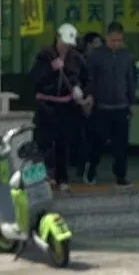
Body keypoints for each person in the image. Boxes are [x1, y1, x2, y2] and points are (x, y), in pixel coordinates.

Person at [31, 22, 89, 190]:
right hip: (46, 104)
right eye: (64, 43)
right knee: (45, 143)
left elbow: (86, 78)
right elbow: (35, 78)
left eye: (69, 45)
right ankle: (45, 178)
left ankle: (62, 178)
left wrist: (80, 89)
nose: (66, 47)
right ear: (57, 38)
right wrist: (51, 69)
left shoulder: (76, 58)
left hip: (66, 106)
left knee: (63, 143)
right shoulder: (45, 56)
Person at [85, 21, 136, 187]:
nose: (116, 44)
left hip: (121, 106)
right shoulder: (96, 55)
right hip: (102, 106)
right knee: (97, 142)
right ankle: (91, 169)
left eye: (119, 40)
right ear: (107, 38)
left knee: (121, 144)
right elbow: (90, 79)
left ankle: (121, 175)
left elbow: (130, 80)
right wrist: (90, 96)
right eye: (113, 40)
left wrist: (132, 102)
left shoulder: (126, 56)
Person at [74, 32, 104, 180]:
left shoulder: (103, 61)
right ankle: (82, 166)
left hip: (98, 103)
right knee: (83, 137)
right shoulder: (80, 61)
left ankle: (91, 166)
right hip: (82, 103)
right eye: (96, 44)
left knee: (96, 137)